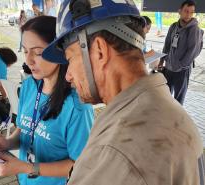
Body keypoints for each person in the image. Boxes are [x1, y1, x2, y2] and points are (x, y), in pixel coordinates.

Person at [42, 0, 204, 184]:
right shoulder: (169, 109)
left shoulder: (115, 150)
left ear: (99, 51)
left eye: (70, 59)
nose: (68, 76)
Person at [0, 16, 93, 185]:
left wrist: (27, 168)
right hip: (25, 180)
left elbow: (79, 165)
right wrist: (6, 143)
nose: (28, 60)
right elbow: (24, 129)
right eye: (26, 51)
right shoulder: (29, 86)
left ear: (59, 51)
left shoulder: (77, 106)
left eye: (38, 52)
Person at [159, 0, 204, 105]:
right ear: (179, 11)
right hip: (168, 68)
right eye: (186, 11)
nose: (188, 14)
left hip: (182, 71)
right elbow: (167, 45)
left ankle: (176, 120)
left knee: (179, 98)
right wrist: (162, 60)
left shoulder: (194, 29)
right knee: (166, 94)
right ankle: (167, 115)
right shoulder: (173, 26)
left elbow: (193, 51)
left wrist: (180, 65)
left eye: (191, 12)